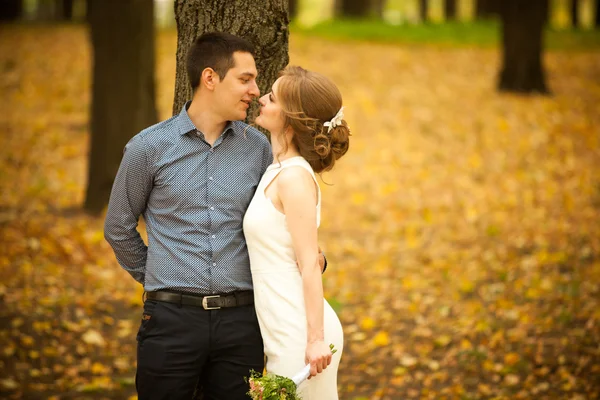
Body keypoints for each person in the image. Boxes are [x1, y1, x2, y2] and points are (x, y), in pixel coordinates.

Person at [104, 32, 314, 400]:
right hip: (170, 322)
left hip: (242, 323)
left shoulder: (258, 149)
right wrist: (159, 277)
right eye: (245, 79)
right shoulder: (148, 148)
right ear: (210, 78)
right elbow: (118, 228)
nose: (255, 90)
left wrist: (311, 260)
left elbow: (278, 222)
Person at [243, 65, 350, 399]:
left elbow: (308, 263)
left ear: (290, 119)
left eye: (271, 97)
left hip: (300, 335)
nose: (261, 98)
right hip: (280, 327)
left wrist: (315, 339)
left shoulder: (294, 178)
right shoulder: (277, 170)